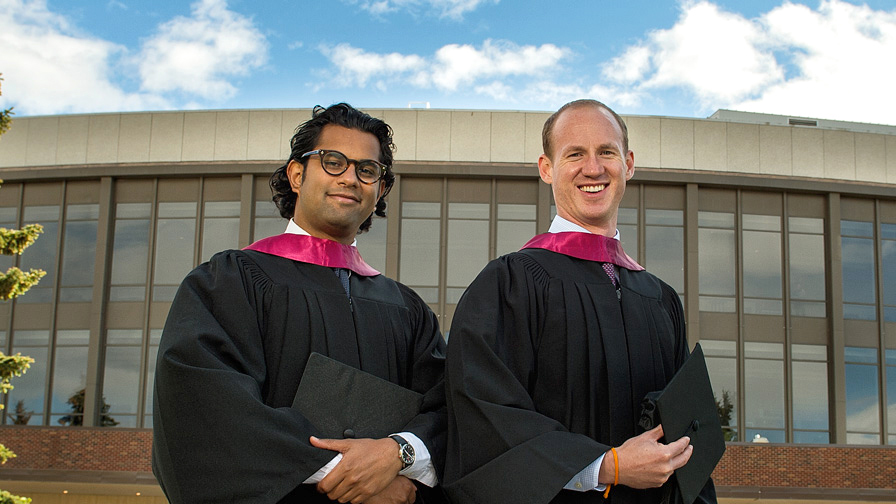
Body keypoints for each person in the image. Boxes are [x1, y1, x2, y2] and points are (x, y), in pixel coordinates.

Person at [152, 103, 447, 504]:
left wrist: (397, 453)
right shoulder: (233, 281)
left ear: (381, 189)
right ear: (296, 174)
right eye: (333, 161)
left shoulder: (406, 309)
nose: (350, 178)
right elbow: (203, 406)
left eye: (367, 170)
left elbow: (448, 410)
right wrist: (354, 475)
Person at [442, 99, 717, 504]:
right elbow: (483, 418)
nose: (593, 168)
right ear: (547, 168)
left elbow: (689, 441)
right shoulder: (510, 285)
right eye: (575, 154)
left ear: (629, 164)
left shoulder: (659, 299)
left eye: (607, 152)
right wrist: (605, 466)